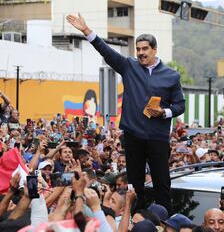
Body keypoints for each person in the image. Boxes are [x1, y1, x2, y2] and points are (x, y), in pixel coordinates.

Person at [66, 13, 186, 212]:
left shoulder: (171, 76)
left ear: (154, 50)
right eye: (138, 49)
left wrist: (164, 112)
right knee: (134, 185)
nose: (140, 52)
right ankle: (133, 219)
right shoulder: (129, 66)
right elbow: (107, 52)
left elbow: (180, 105)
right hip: (133, 136)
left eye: (145, 49)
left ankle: (164, 221)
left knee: (162, 184)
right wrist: (86, 30)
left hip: (158, 138)